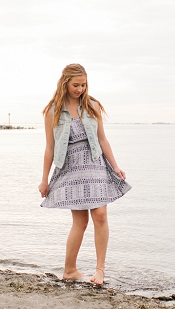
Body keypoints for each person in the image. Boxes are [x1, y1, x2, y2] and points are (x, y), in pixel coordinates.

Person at [39, 63, 131, 286]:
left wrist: (115, 166)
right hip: (70, 167)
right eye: (76, 85)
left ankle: (100, 271)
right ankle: (69, 270)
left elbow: (102, 139)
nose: (80, 89)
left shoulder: (92, 106)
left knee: (100, 215)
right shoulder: (52, 110)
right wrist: (44, 179)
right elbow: (50, 148)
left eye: (84, 84)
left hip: (95, 162)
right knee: (79, 222)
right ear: (65, 83)